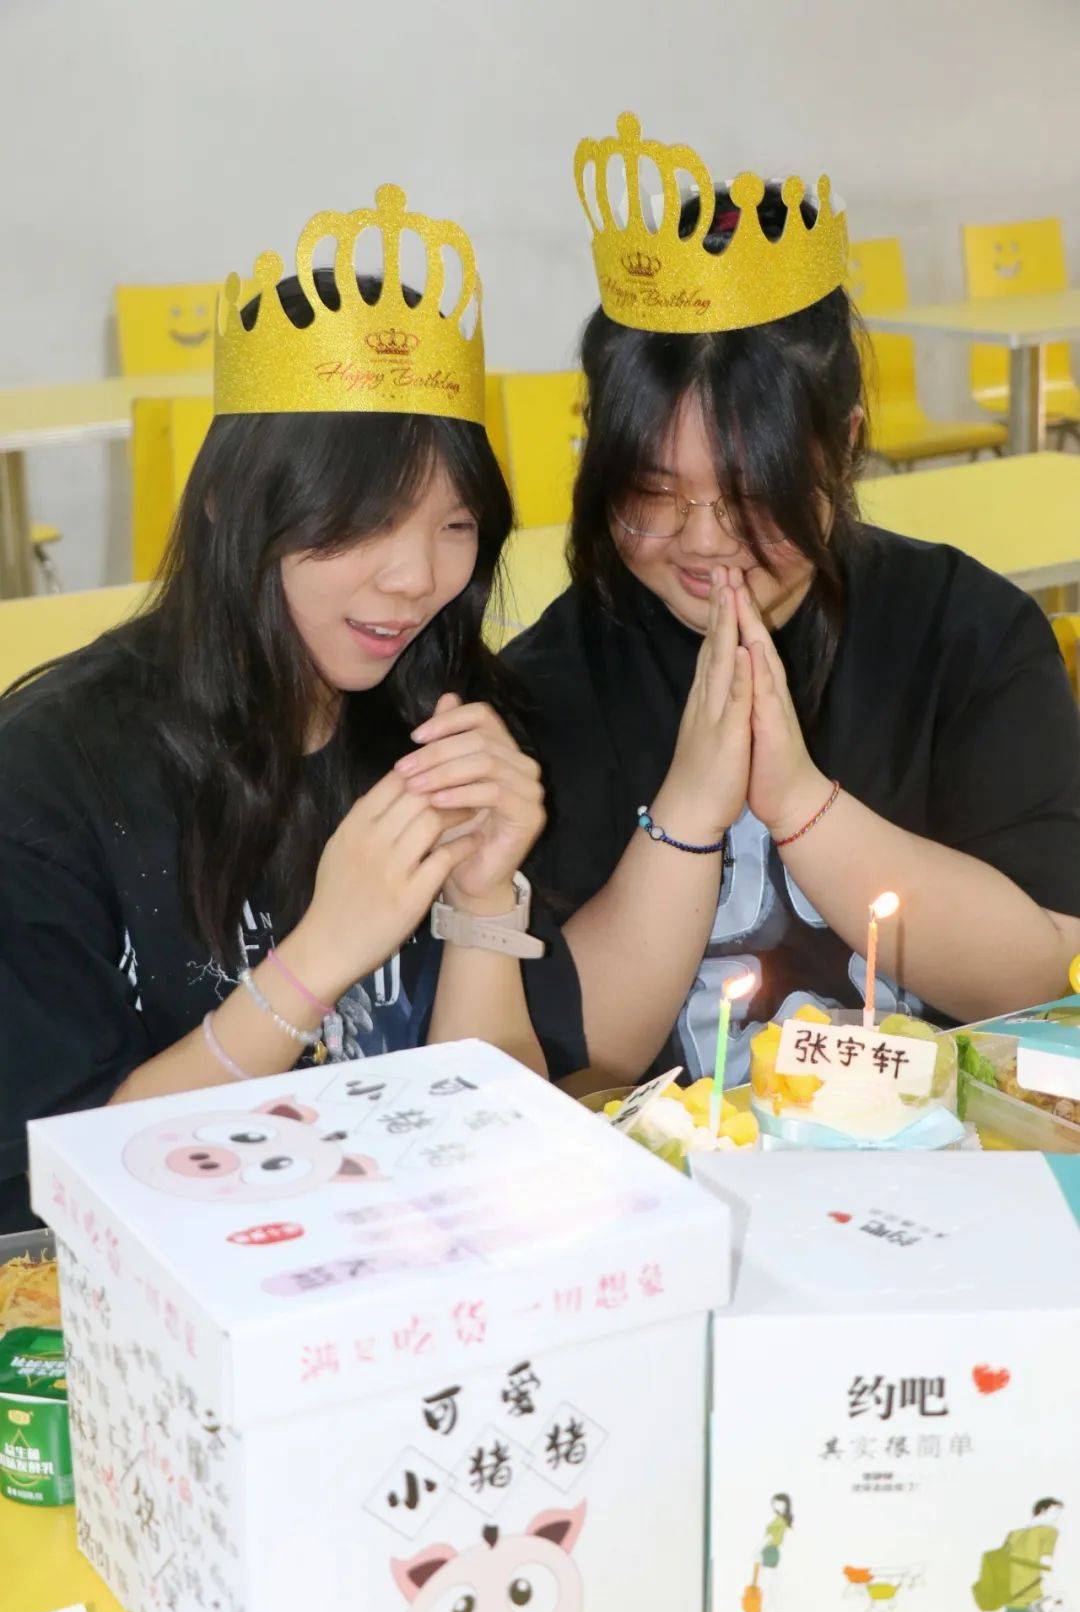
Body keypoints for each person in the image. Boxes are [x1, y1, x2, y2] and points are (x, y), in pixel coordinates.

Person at [0, 186, 584, 1233]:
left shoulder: (449, 723)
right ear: (232, 505)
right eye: (365, 522)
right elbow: (62, 1196)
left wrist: (485, 902)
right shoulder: (49, 778)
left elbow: (495, 1136)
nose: (416, 578)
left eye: (455, 525)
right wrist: (319, 956)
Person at [496, 112, 1080, 1086]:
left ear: (842, 446)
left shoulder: (966, 635)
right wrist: (689, 809)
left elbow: (1042, 975)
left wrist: (802, 804)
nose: (704, 540)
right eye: (651, 493)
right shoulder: (545, 687)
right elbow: (570, 1062)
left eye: (751, 495)